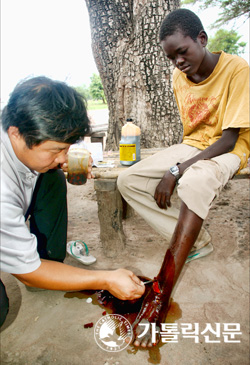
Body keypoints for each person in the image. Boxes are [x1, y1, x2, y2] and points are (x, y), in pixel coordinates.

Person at [117, 8, 249, 348]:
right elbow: (192, 134)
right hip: (193, 145)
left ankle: (160, 293)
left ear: (201, 39)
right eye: (171, 57)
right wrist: (179, 161)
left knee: (191, 181)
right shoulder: (180, 77)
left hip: (229, 149)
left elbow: (229, 139)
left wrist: (177, 170)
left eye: (182, 51)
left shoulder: (236, 70)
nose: (177, 61)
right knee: (127, 182)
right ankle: (197, 242)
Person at [0, 76, 145, 328]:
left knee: (52, 176)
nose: (62, 157)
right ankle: (40, 270)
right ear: (16, 134)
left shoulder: (23, 135)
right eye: (57, 150)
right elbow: (28, 273)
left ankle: (49, 264)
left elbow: (48, 158)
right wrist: (106, 279)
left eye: (67, 148)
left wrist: (65, 156)